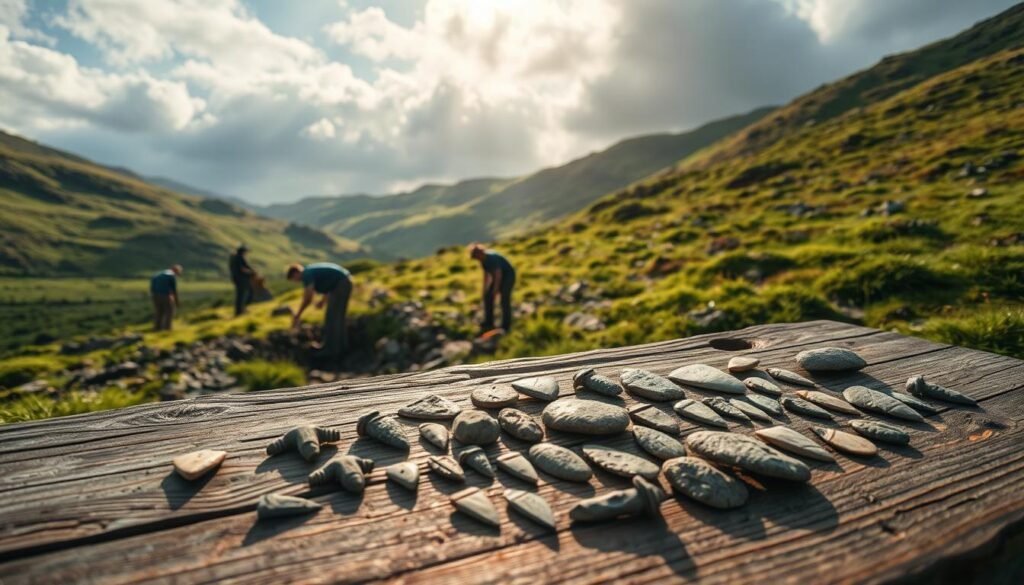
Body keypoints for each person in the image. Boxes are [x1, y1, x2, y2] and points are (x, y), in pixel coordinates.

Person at [286, 262, 352, 358]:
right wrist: (323, 301)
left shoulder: (306, 275)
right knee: (337, 318)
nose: (296, 281)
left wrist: (298, 314)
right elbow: (329, 283)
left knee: (332, 319)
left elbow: (308, 298)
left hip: (342, 284)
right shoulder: (309, 271)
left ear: (295, 273)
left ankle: (332, 350)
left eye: (294, 279)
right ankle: (339, 347)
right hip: (342, 283)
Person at [469, 244, 516, 332]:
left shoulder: (491, 259)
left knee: (504, 300)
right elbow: (486, 276)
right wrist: (484, 290)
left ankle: (506, 326)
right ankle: (489, 322)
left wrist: (495, 290)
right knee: (487, 297)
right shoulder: (483, 260)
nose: (477, 259)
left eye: (476, 257)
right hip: (498, 277)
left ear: (479, 254)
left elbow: (498, 275)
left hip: (508, 276)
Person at [150, 264, 182, 331]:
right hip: (165, 295)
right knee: (170, 311)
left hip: (155, 295)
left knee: (159, 311)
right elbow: (174, 290)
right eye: (179, 272)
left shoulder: (158, 274)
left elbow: (152, 285)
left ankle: (157, 327)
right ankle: (167, 328)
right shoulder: (171, 276)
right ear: (176, 270)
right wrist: (177, 301)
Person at [229, 245, 255, 316]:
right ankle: (241, 310)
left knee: (240, 295)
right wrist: (251, 272)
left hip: (237, 279)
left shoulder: (234, 257)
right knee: (247, 293)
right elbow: (243, 269)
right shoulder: (240, 258)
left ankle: (239, 311)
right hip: (242, 279)